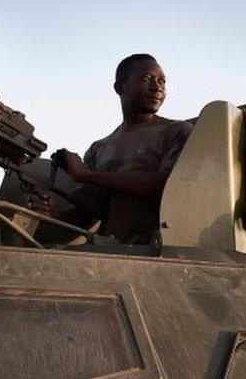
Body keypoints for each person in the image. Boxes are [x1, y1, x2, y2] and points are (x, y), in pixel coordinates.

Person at [34, 54, 193, 245]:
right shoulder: (99, 149)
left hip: (157, 254)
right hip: (111, 257)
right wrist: (52, 213)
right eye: (146, 79)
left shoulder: (176, 131)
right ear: (120, 87)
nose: (157, 87)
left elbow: (168, 187)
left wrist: (86, 174)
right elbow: (86, 215)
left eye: (162, 81)